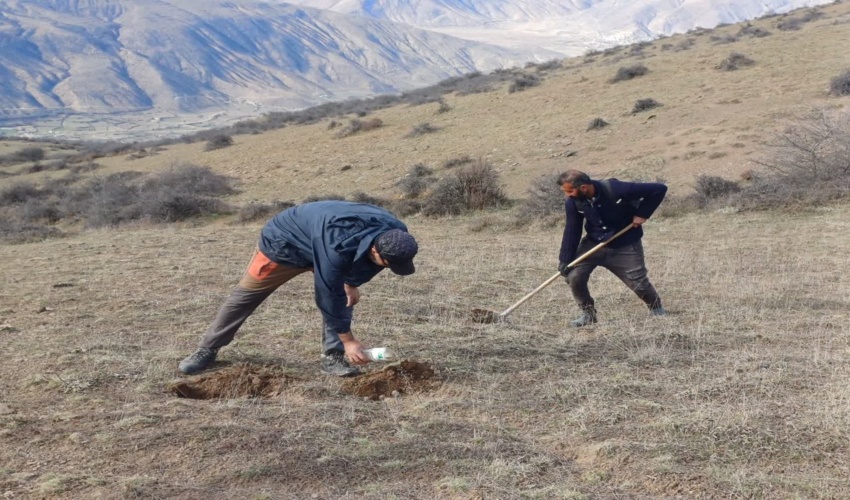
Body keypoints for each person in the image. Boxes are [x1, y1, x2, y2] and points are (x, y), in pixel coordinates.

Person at [178, 200, 419, 376]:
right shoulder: (337, 245)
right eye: (388, 263)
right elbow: (327, 292)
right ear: (376, 250)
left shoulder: (394, 232)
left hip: (322, 237)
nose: (390, 268)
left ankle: (332, 358)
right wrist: (349, 340)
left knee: (344, 297)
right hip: (285, 242)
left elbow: (368, 267)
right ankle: (206, 350)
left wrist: (352, 283)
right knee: (246, 296)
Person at [557, 170, 667, 327]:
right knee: (574, 276)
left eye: (570, 190)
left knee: (638, 282)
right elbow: (572, 229)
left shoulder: (616, 189)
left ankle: (656, 309)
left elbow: (659, 189)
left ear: (584, 187)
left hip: (625, 244)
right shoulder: (572, 202)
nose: (568, 195)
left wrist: (643, 213)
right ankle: (588, 315)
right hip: (593, 244)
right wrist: (565, 259)